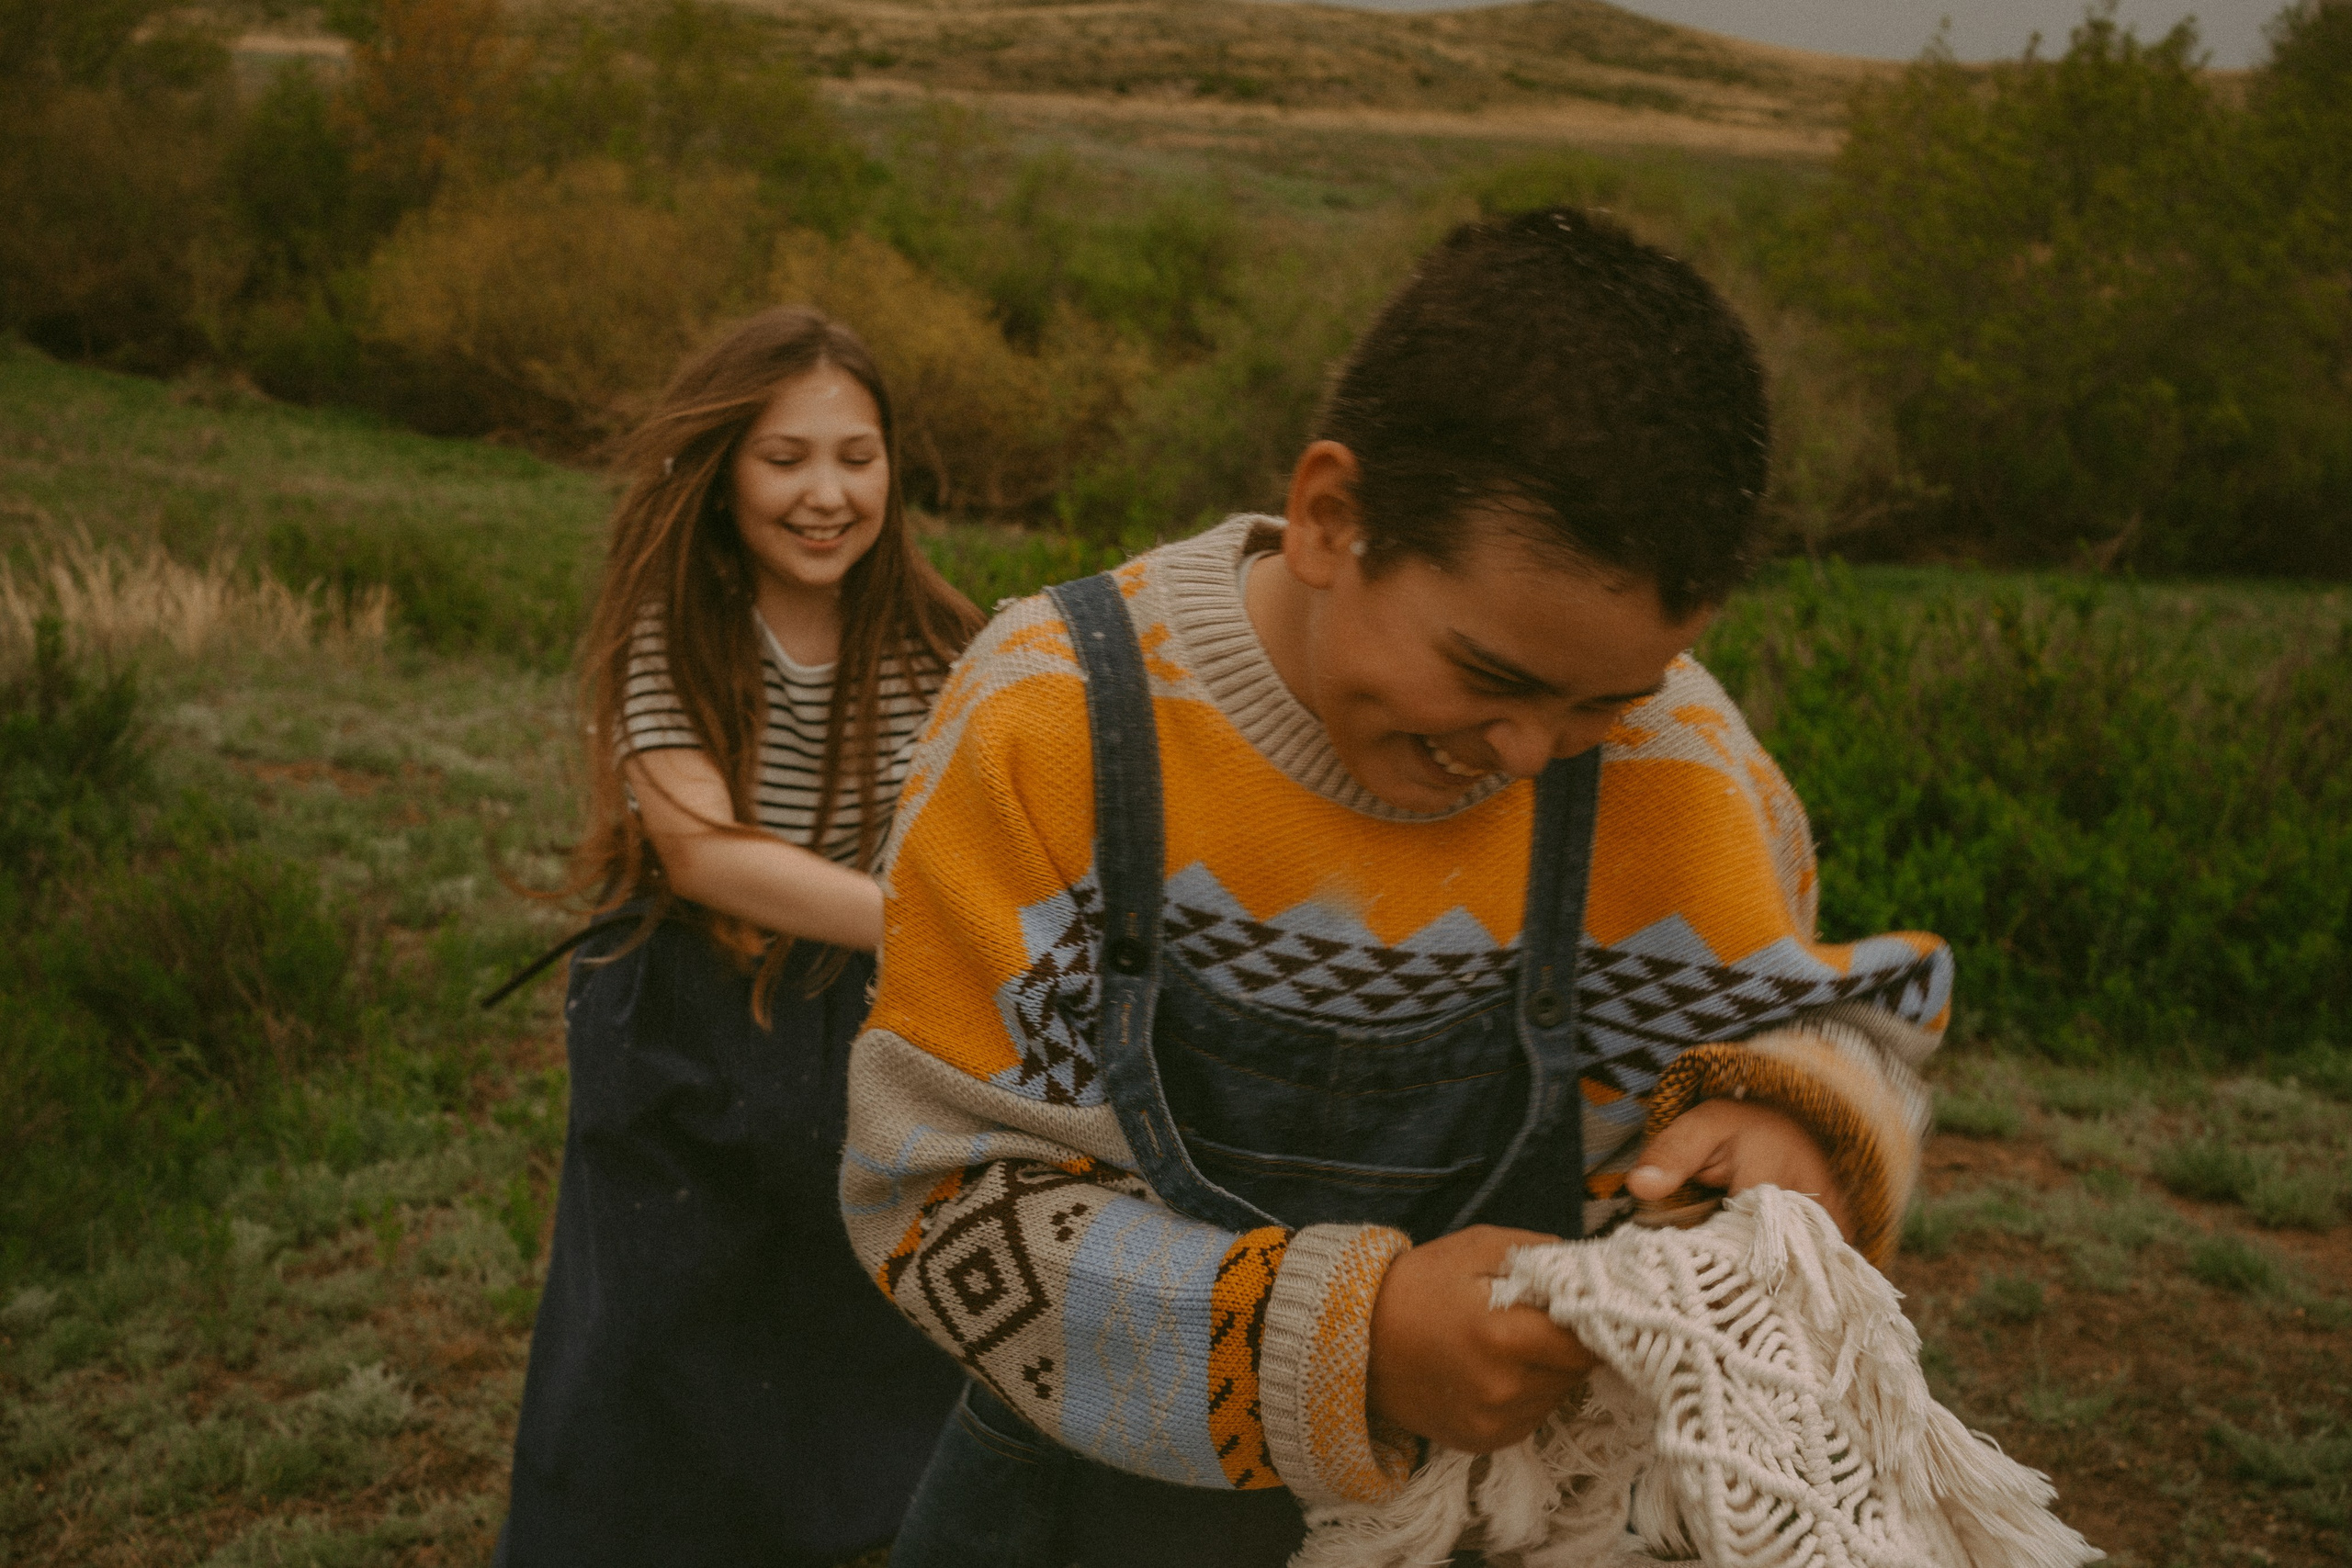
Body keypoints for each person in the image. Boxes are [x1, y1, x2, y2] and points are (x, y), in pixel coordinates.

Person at [841, 209, 1953, 1567]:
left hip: (1512, 1525)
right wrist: (1353, 1345)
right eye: (1490, 678)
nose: (1532, 750)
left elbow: (1838, 1030)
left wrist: (1796, 1129)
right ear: (1330, 517)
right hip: (1089, 1512)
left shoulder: (1683, 762)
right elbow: (942, 1193)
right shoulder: (1049, 723)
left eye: (1603, 699)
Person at [498, 307, 977, 1567]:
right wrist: (925, 923)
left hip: (870, 1022)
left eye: (857, 456)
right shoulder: (685, 623)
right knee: (664, 1325)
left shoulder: (939, 640)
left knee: (852, 1312)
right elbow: (701, 853)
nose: (827, 492)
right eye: (786, 458)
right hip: (690, 1012)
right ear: (721, 472)